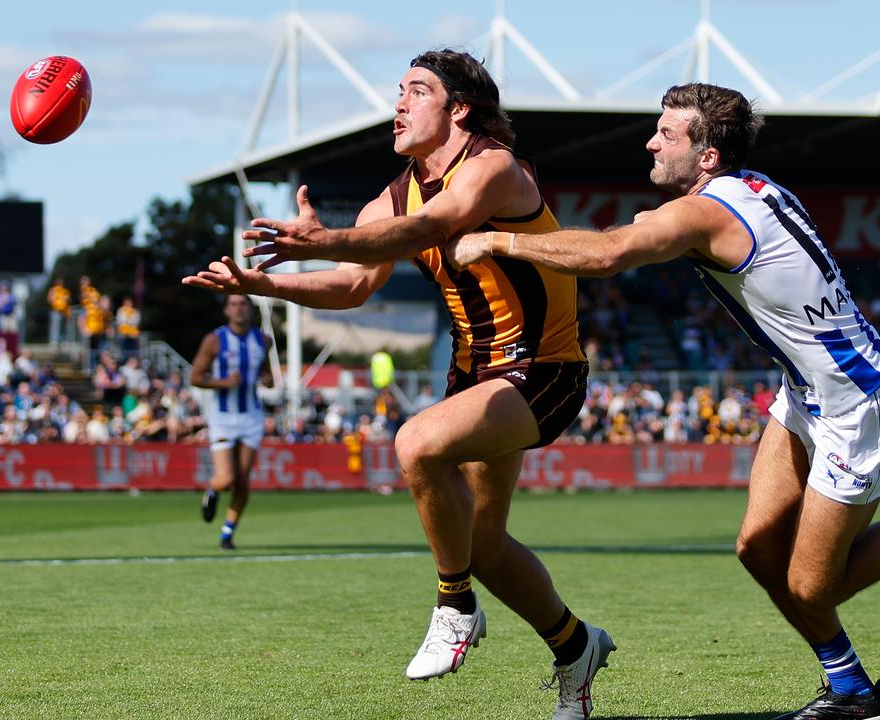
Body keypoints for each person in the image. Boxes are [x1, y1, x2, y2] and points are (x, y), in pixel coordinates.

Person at [447, 82, 880, 720]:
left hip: (857, 405)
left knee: (814, 586)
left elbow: (611, 253)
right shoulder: (746, 188)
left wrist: (497, 242)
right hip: (808, 393)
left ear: (706, 156)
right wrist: (659, 226)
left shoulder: (706, 213)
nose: (651, 140)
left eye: (668, 133)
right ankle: (852, 691)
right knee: (756, 549)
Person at [182, 49, 612, 719]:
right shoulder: (395, 191)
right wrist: (265, 283)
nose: (399, 104)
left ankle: (453, 605)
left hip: (544, 370)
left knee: (415, 444)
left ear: (459, 108)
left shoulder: (494, 167)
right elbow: (356, 285)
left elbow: (438, 225)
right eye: (398, 92)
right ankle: (575, 646)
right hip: (475, 375)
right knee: (486, 545)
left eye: (416, 91)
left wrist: (321, 241)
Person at [187, 294, 270, 551]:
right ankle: (212, 491)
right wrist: (223, 382)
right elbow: (195, 377)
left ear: (250, 309)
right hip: (223, 417)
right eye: (233, 304)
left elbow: (264, 372)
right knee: (225, 479)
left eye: (243, 304)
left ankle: (227, 533)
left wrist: (267, 379)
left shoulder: (263, 340)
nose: (239, 309)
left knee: (243, 480)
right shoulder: (215, 340)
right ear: (226, 310)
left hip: (251, 417)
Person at [47, 277, 72, 347]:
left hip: (64, 311)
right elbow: (49, 299)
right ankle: (53, 341)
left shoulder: (65, 291)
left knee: (64, 327)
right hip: (55, 311)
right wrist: (53, 298)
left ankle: (64, 341)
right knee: (55, 326)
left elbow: (69, 300)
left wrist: (67, 299)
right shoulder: (53, 290)